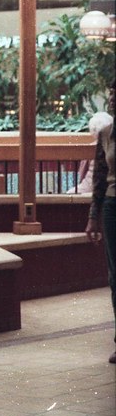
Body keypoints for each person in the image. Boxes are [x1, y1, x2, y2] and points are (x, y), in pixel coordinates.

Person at [84, 78, 116, 364]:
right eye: (111, 93)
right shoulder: (106, 134)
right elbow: (98, 177)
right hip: (112, 206)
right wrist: (93, 216)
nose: (113, 98)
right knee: (115, 276)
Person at [69, 111, 113, 194]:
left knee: (69, 193)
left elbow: (82, 172)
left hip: (90, 186)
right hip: (108, 188)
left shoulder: (90, 148)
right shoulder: (111, 146)